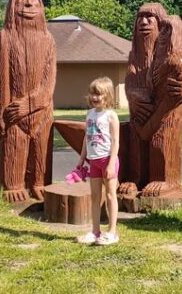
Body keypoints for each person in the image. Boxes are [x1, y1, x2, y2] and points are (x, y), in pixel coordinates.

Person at [76, 76, 120, 245]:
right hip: (93, 161)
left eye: (99, 94)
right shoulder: (90, 114)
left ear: (107, 95)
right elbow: (87, 138)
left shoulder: (111, 116)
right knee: (95, 196)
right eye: (92, 93)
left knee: (110, 195)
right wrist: (81, 160)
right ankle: (95, 231)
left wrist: (110, 165)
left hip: (108, 160)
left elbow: (116, 142)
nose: (94, 97)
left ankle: (112, 232)